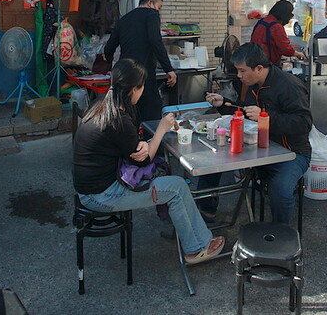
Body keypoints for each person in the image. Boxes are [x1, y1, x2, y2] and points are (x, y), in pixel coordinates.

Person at [72, 58, 224, 265]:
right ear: (135, 89)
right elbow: (142, 162)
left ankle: (193, 238)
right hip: (102, 195)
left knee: (172, 183)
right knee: (177, 187)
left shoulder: (101, 107)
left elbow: (133, 151)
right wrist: (161, 129)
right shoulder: (119, 119)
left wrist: (144, 146)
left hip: (91, 188)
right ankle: (196, 249)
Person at [201, 42, 312, 224]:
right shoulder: (254, 84)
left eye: (242, 71)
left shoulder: (288, 86)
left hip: (292, 152)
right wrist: (224, 103)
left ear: (259, 68)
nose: (239, 75)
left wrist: (265, 117)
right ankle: (206, 213)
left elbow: (304, 122)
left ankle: (281, 234)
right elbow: (247, 111)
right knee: (212, 162)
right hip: (261, 147)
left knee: (280, 191)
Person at [102, 0, 177, 122]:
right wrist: (168, 69)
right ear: (150, 3)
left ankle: (132, 140)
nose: (158, 11)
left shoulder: (124, 19)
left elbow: (109, 47)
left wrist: (107, 62)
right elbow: (156, 41)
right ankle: (150, 141)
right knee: (151, 113)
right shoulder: (151, 14)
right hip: (144, 72)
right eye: (158, 7)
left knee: (129, 112)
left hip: (125, 72)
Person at [251, 0, 306, 66]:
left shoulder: (263, 21)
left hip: (255, 59)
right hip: (266, 63)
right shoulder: (276, 26)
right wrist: (298, 54)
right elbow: (285, 49)